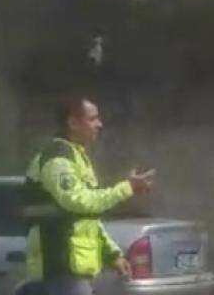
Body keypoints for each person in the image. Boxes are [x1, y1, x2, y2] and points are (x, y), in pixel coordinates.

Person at [22, 95, 155, 295]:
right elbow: (79, 202)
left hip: (71, 268)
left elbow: (87, 219)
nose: (99, 124)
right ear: (73, 123)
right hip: (58, 264)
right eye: (92, 119)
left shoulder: (77, 157)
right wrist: (126, 188)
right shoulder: (58, 158)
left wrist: (111, 254)